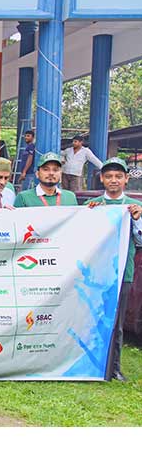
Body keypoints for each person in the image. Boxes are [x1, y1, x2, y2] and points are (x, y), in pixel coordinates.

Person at [85, 157, 142, 381]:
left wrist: (137, 219)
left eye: (118, 176)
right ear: (102, 179)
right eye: (109, 176)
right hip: (95, 273)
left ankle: (114, 368)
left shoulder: (134, 206)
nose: (114, 180)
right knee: (92, 318)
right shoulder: (93, 205)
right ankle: (89, 365)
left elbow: (140, 240)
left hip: (122, 272)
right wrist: (90, 215)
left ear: (126, 179)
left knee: (116, 322)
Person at [14, 152, 78, 207]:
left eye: (55, 170)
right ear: (37, 174)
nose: (51, 173)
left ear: (60, 174)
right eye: (46, 169)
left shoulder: (70, 197)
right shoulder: (24, 198)